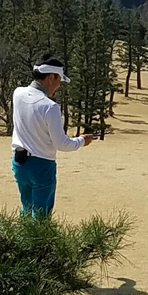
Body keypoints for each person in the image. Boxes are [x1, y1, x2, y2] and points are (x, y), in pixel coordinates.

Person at [11, 55, 95, 217]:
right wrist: (81, 141)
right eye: (59, 80)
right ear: (51, 77)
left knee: (26, 210)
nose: (58, 85)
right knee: (41, 217)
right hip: (42, 165)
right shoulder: (50, 107)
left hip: (19, 163)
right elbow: (61, 144)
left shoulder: (18, 93)